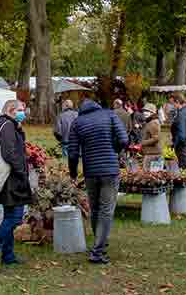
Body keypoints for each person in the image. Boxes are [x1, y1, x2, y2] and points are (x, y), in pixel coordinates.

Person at [68, 98, 129, 265]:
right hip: (110, 170)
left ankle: (98, 244)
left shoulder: (77, 122)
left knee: (95, 209)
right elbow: (124, 140)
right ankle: (97, 251)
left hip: (91, 172)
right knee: (106, 210)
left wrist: (73, 173)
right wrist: (113, 150)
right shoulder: (110, 115)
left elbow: (72, 153)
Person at [0, 100, 32, 272]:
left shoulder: (5, 124)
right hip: (12, 178)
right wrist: (22, 172)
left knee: (9, 216)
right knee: (14, 218)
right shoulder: (7, 126)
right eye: (20, 110)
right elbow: (9, 152)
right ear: (10, 110)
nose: (23, 113)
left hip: (7, 178)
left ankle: (8, 255)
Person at [139, 103, 163, 169]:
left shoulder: (154, 122)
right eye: (144, 111)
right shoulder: (150, 122)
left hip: (153, 154)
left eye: (147, 111)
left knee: (151, 176)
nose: (144, 113)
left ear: (152, 112)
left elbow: (156, 139)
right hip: (151, 153)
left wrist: (142, 142)